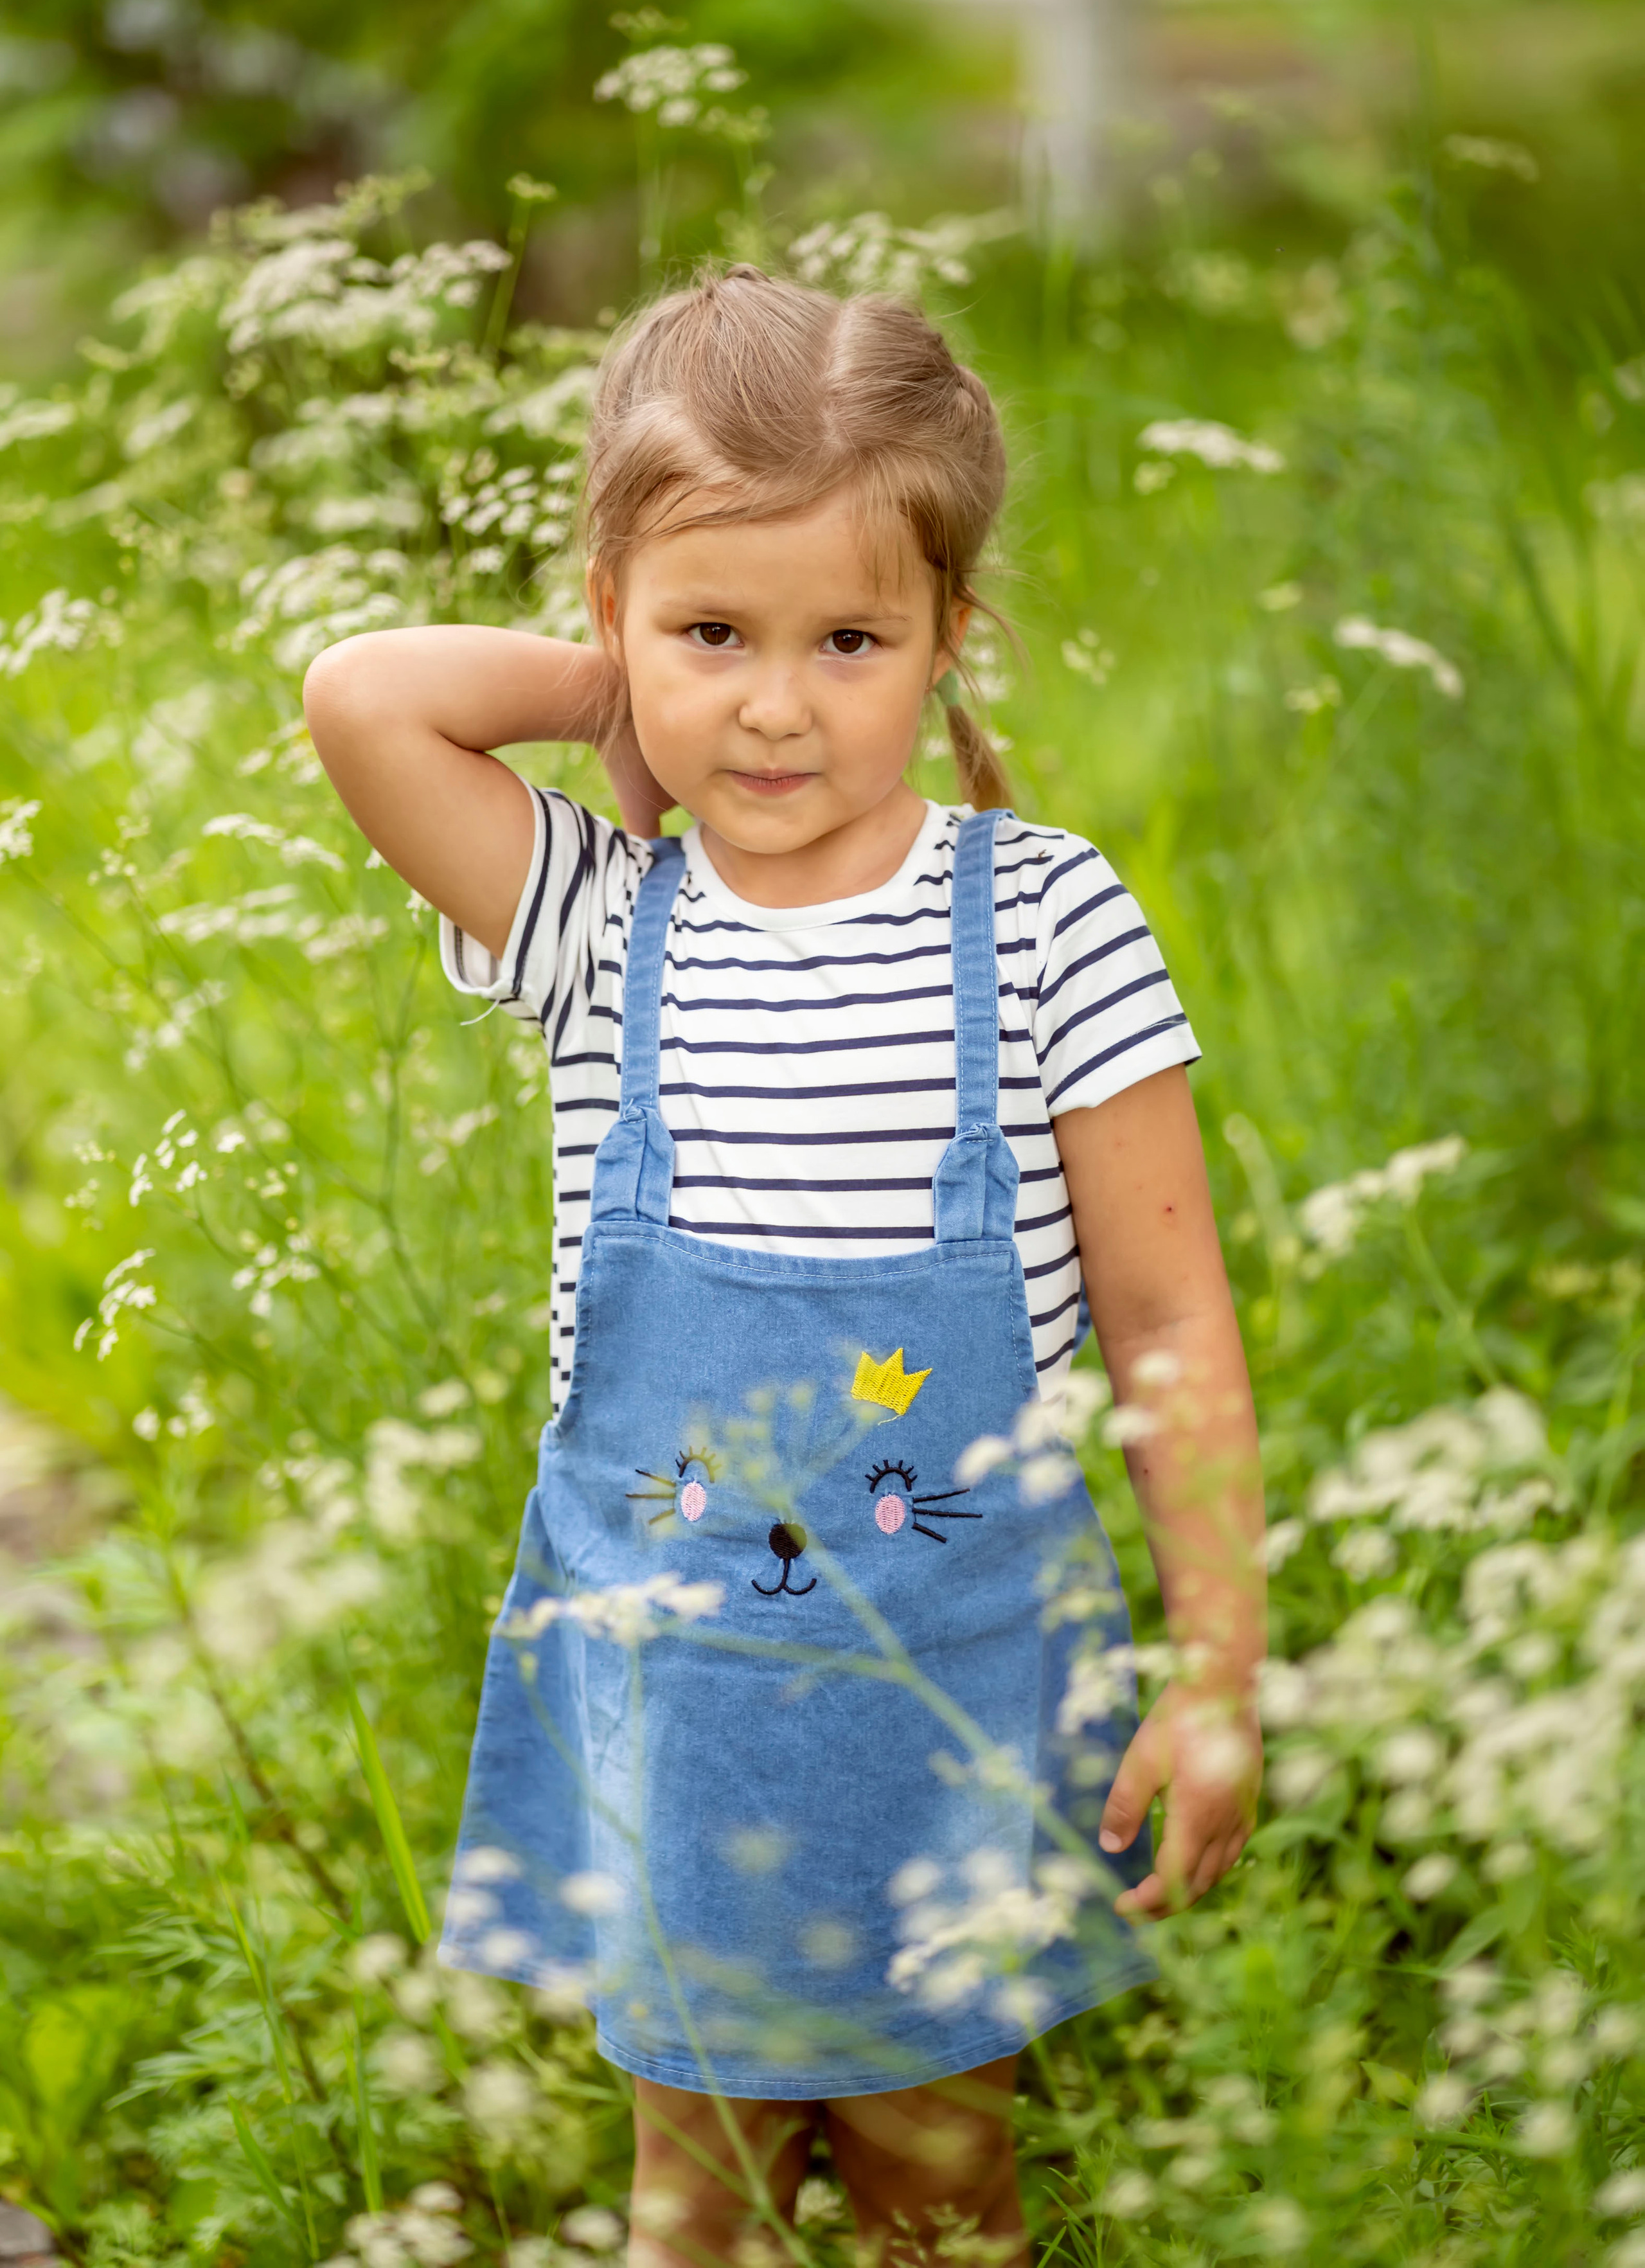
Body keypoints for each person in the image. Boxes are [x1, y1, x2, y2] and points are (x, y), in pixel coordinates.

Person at [305, 266, 1265, 2267]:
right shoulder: (603, 918)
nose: (773, 701)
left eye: (849, 639)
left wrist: (1219, 1673)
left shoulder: (1044, 923)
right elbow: (361, 698)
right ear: (622, 626)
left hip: (960, 1674)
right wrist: (621, 690)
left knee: (941, 2175)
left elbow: (1172, 1320)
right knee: (699, 2188)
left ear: (946, 643)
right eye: (712, 635)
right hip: (688, 1690)